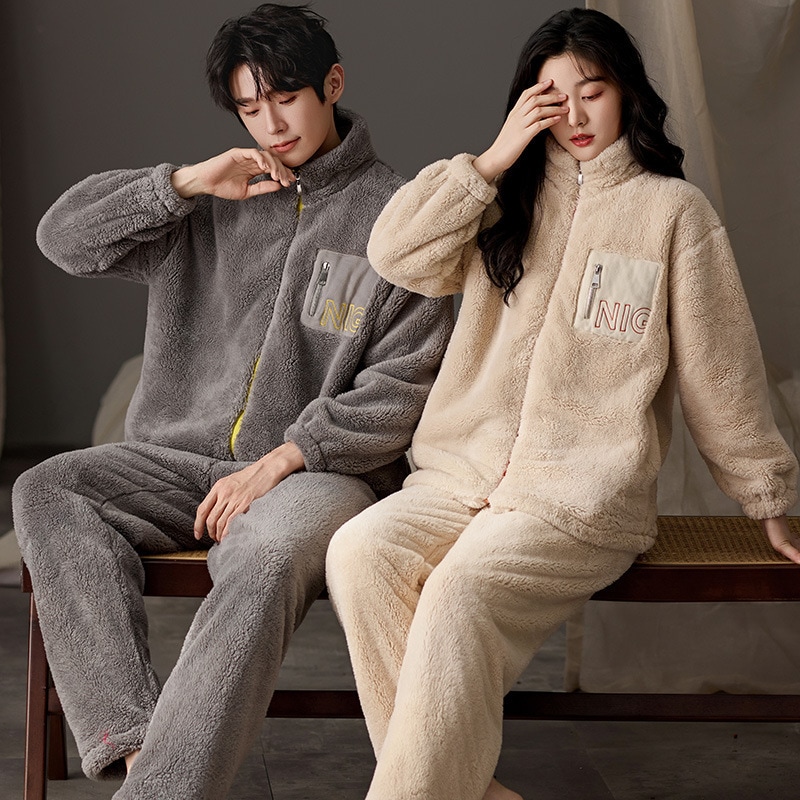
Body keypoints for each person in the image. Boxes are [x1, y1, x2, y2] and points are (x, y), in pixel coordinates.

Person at [324, 7, 800, 800]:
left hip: (578, 498)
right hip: (456, 478)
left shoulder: (672, 213)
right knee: (359, 552)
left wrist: (766, 497)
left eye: (593, 91)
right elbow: (393, 255)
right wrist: (492, 158)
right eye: (552, 98)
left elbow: (722, 369)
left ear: (627, 93)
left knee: (458, 595)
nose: (574, 115)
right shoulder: (497, 200)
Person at [13, 4, 451, 798]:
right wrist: (181, 184)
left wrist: (284, 459)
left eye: (285, 98)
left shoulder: (397, 216)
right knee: (48, 488)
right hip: (177, 464)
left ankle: (164, 793)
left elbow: (400, 388)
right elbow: (61, 238)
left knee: (270, 551)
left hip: (315, 475)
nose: (271, 124)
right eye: (251, 108)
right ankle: (140, 750)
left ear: (333, 84)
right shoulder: (209, 201)